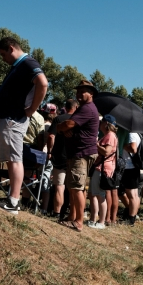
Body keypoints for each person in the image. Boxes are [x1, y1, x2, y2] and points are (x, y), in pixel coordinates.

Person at [0, 37, 48, 214]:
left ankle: (13, 202)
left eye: (3, 54)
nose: (3, 59)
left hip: (14, 118)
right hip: (11, 117)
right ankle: (13, 198)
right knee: (12, 159)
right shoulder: (21, 65)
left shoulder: (27, 63)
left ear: (11, 49)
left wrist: (32, 109)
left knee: (14, 159)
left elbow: (43, 83)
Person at [57, 80, 99, 232]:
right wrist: (65, 127)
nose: (79, 93)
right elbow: (69, 125)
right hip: (79, 153)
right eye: (78, 91)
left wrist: (60, 127)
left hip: (82, 153)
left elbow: (67, 124)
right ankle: (72, 218)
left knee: (76, 187)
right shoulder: (84, 109)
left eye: (83, 91)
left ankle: (78, 221)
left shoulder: (87, 109)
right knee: (74, 187)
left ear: (91, 93)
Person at [47, 99, 77, 220]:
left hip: (59, 155)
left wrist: (50, 150)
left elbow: (51, 136)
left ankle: (56, 212)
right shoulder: (78, 121)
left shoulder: (58, 119)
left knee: (59, 186)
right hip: (74, 156)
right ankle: (69, 212)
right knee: (72, 188)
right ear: (76, 107)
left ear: (65, 107)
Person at [88, 115, 118, 229]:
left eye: (101, 122)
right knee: (95, 194)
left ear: (106, 124)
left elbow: (106, 152)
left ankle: (100, 222)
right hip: (102, 167)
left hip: (102, 168)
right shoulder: (110, 135)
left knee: (99, 195)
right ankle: (94, 220)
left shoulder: (110, 136)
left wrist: (96, 144)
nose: (99, 124)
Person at [119, 130, 142, 226]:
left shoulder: (131, 134)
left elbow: (133, 149)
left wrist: (122, 145)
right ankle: (132, 215)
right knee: (134, 194)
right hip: (133, 167)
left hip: (129, 167)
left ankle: (131, 218)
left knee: (132, 194)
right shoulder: (138, 134)